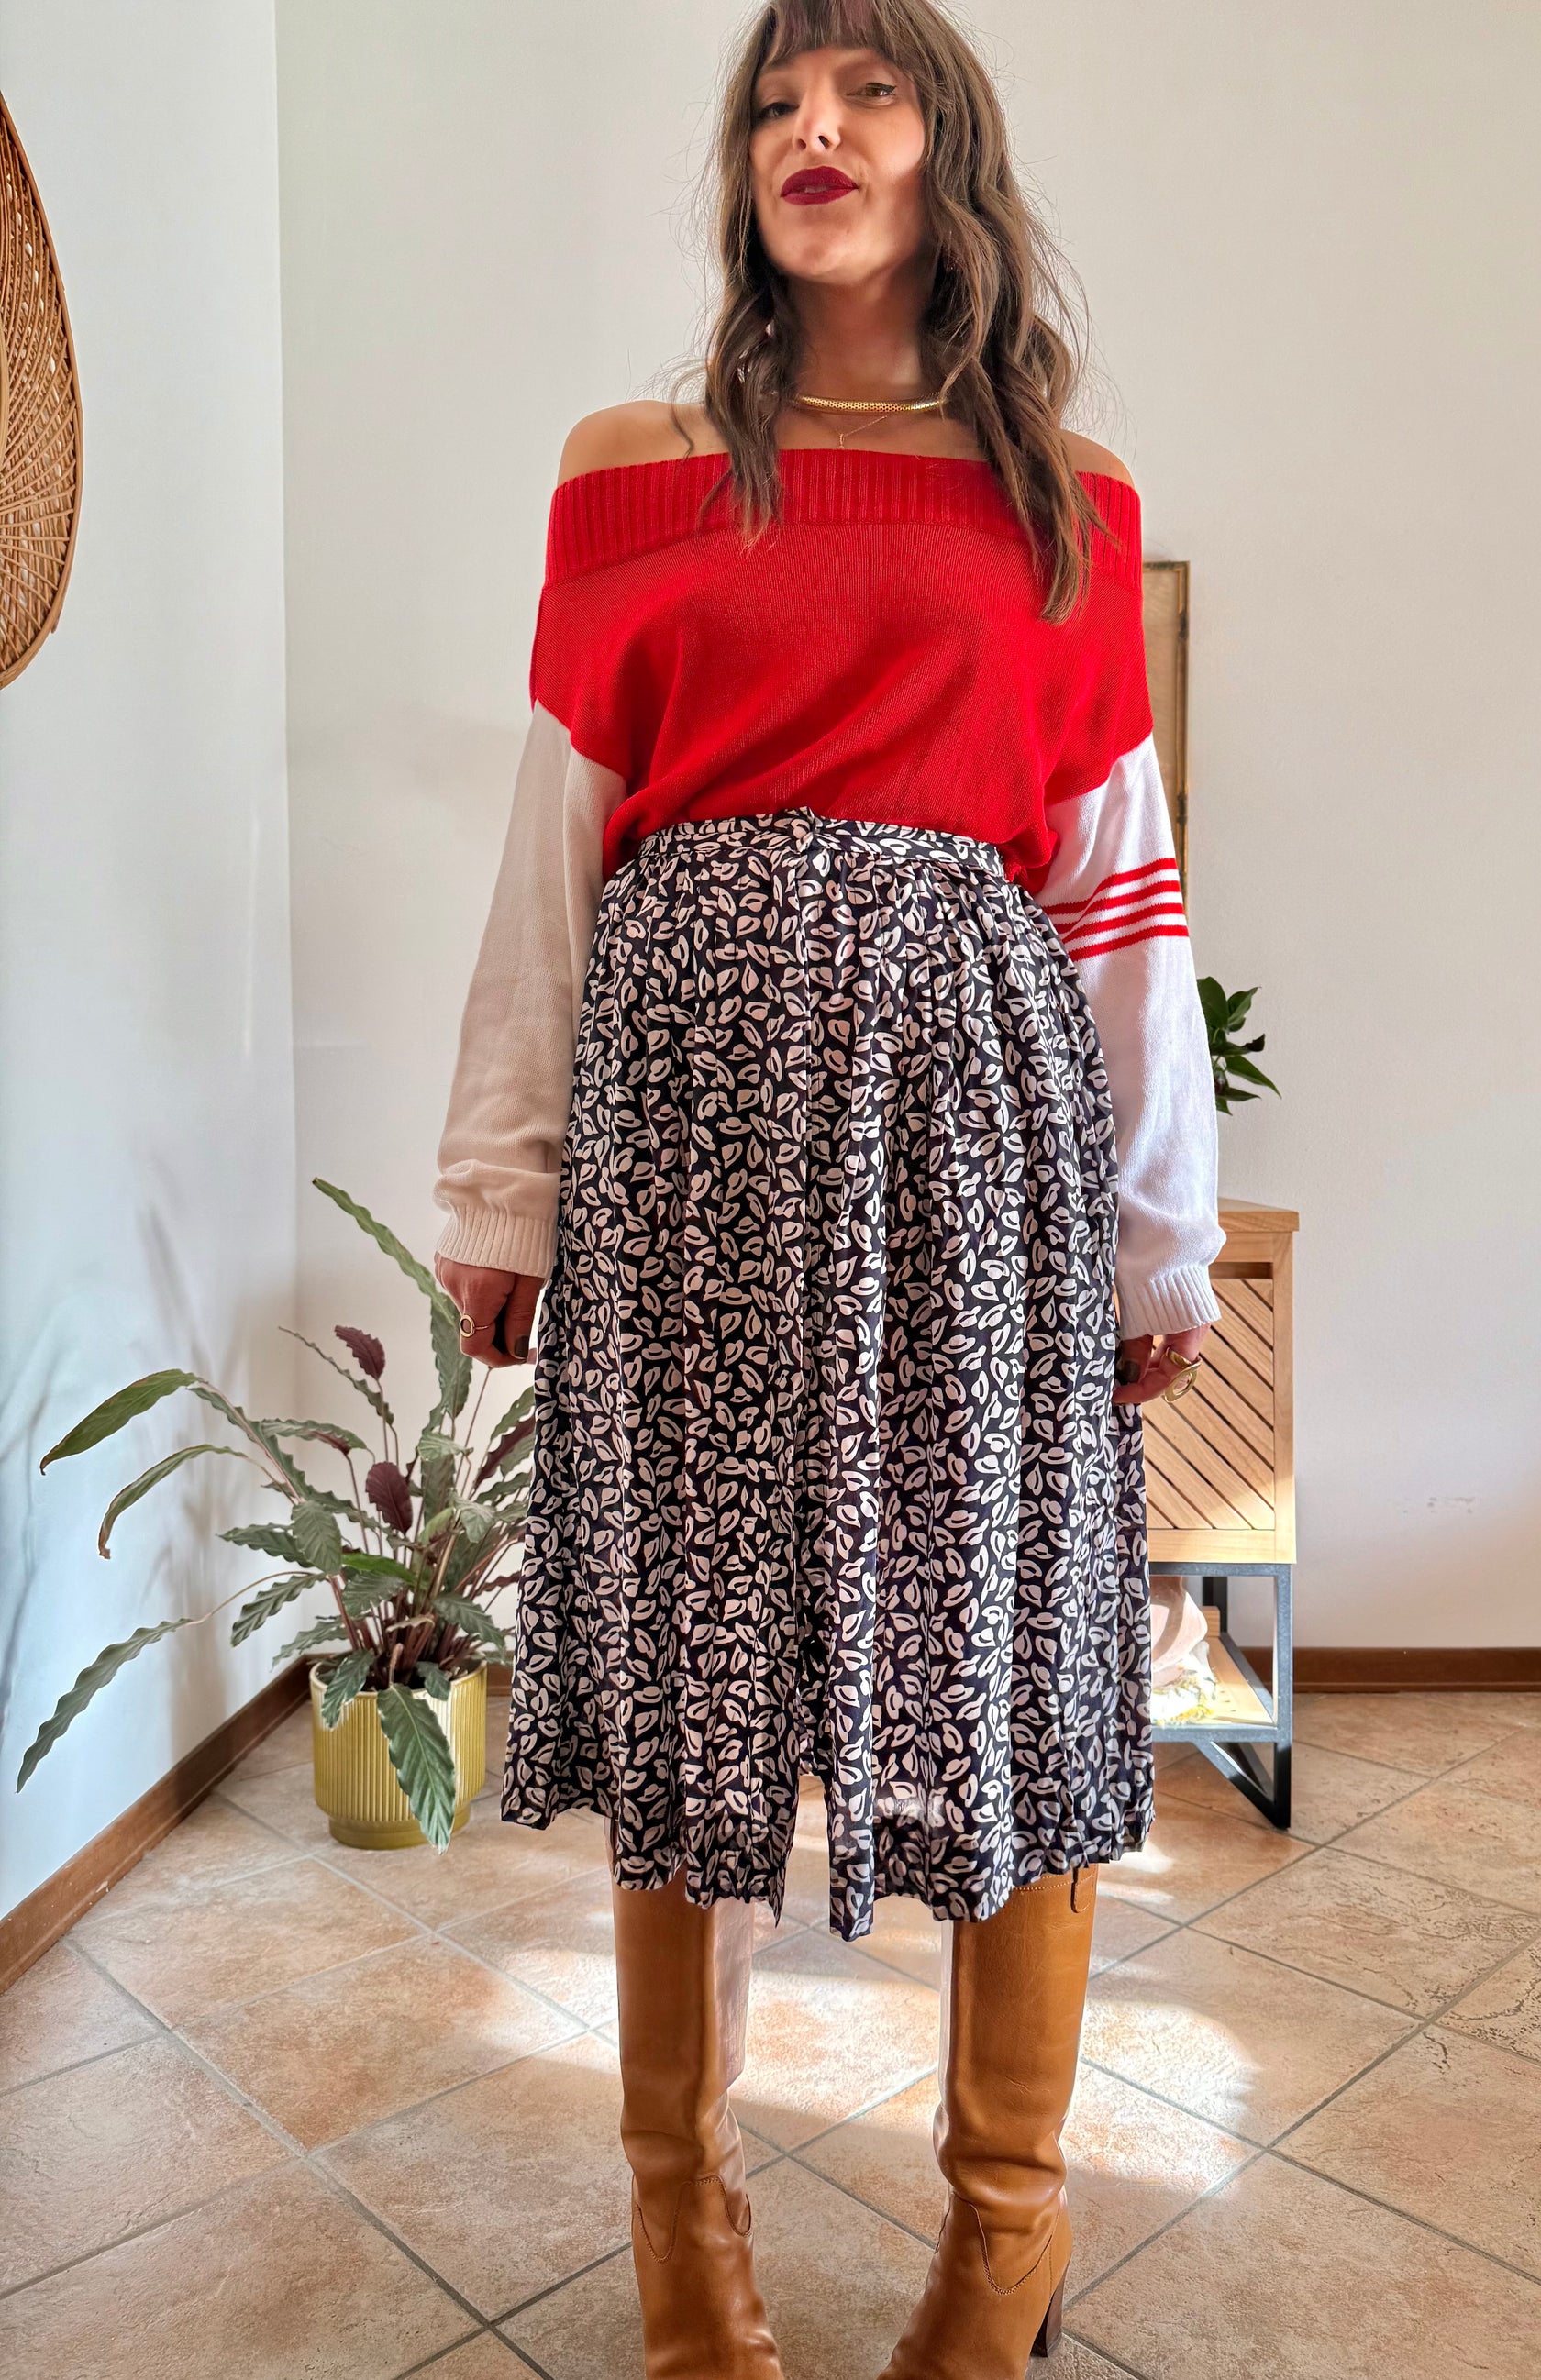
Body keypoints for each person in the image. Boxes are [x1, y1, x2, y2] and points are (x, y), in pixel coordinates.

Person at [432, 4, 1224, 2371]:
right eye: (776, 98)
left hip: (971, 1139)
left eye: (867, 88)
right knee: (692, 1664)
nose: (813, 127)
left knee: (992, 1640)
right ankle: (688, 2251)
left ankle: (1005, 2238)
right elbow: (560, 841)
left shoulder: (1067, 497)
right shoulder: (629, 471)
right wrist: (501, 1179)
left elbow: (1117, 886)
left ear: (944, 147)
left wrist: (1157, 1227)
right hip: (678, 1128)